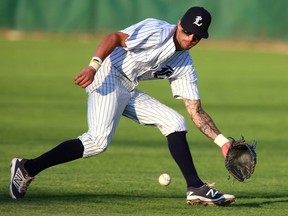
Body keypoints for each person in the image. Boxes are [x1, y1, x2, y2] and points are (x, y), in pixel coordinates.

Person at [9, 6, 235, 206]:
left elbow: (195, 110)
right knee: (98, 141)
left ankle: (195, 188)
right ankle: (27, 168)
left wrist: (223, 142)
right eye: (187, 31)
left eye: (196, 37)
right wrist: (93, 66)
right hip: (108, 73)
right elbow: (114, 37)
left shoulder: (185, 64)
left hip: (128, 86)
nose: (190, 39)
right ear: (179, 25)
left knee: (175, 121)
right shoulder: (156, 31)